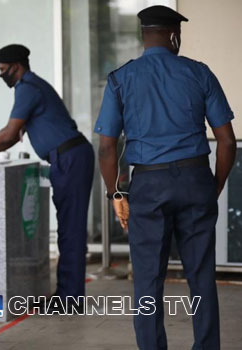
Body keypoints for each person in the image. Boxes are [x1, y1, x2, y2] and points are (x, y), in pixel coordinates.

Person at [94, 5, 236, 349]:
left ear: (144, 35)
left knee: (147, 279)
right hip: (195, 178)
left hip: (149, 186)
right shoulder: (199, 73)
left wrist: (116, 194)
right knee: (201, 276)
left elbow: (107, 148)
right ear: (174, 35)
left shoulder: (121, 78)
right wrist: (214, 185)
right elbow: (227, 141)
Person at [0, 44, 94, 301]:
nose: (0, 75)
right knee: (68, 228)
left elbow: (8, 135)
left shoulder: (28, 88)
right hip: (69, 158)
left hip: (70, 158)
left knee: (70, 230)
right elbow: (11, 133)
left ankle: (69, 299)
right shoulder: (32, 86)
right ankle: (67, 294)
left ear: (16, 67)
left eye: (2, 69)